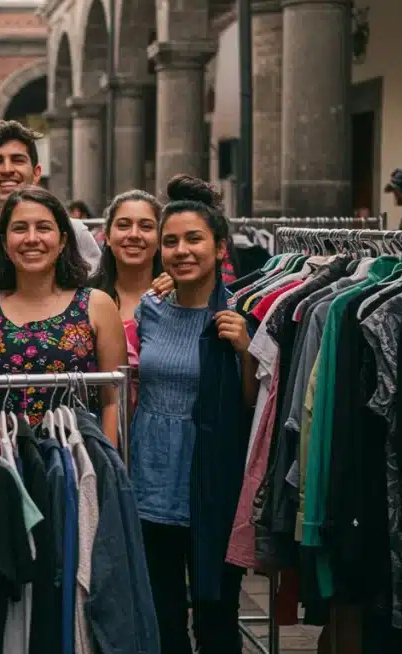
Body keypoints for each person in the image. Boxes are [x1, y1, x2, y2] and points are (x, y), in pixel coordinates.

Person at [130, 174, 258, 654]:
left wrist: (246, 350)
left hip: (211, 483)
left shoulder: (242, 314)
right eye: (171, 241)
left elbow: (251, 405)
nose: (182, 250)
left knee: (216, 614)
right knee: (161, 614)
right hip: (150, 479)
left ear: (220, 247)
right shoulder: (151, 309)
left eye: (194, 239)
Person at [0, 186, 127, 448]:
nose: (32, 238)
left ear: (63, 240)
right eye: (19, 229)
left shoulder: (97, 305)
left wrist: (103, 464)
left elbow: (113, 401)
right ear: (5, 243)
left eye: (43, 228)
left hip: (77, 459)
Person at [0, 120, 102, 301]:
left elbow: (97, 296)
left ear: (37, 172)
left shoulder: (73, 231)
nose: (7, 170)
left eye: (18, 160)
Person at [88, 189, 170, 414]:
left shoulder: (178, 298)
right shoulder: (83, 300)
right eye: (123, 225)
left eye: (146, 226)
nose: (134, 234)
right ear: (106, 234)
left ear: (161, 236)